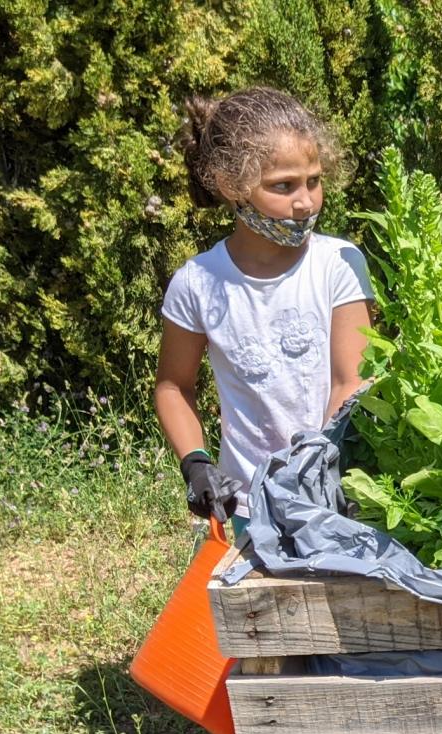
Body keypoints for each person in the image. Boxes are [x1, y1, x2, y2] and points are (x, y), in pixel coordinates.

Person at [154, 87, 374, 538]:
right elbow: (174, 385)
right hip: (251, 510)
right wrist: (196, 463)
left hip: (337, 497)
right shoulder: (196, 283)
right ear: (232, 184)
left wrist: (316, 474)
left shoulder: (338, 264)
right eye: (283, 186)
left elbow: (351, 380)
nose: (305, 202)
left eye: (314, 180)